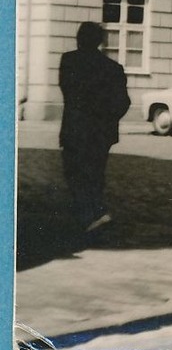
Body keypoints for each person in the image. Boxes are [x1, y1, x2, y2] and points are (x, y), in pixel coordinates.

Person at [59, 21, 132, 233]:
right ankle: (94, 212)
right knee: (95, 173)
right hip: (100, 132)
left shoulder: (69, 61)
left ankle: (89, 216)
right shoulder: (113, 68)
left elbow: (68, 91)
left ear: (79, 39)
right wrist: (106, 119)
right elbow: (123, 102)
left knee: (74, 172)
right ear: (100, 41)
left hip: (75, 129)